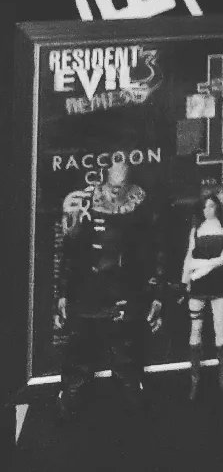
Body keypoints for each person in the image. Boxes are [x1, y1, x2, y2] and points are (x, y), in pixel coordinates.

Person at [55, 160, 164, 420]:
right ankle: (69, 399)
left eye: (121, 186)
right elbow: (70, 252)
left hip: (123, 291)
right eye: (113, 186)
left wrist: (156, 295)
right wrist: (63, 293)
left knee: (125, 355)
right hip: (88, 291)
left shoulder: (140, 210)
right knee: (80, 354)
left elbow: (152, 254)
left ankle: (133, 401)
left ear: (129, 185)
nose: (115, 192)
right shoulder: (85, 204)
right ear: (105, 180)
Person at [181, 188, 223, 401]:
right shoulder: (196, 229)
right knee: (195, 331)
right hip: (198, 285)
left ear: (217, 207)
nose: (208, 209)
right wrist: (185, 282)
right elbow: (189, 257)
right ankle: (194, 382)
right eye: (205, 206)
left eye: (211, 205)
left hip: (218, 285)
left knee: (220, 332)